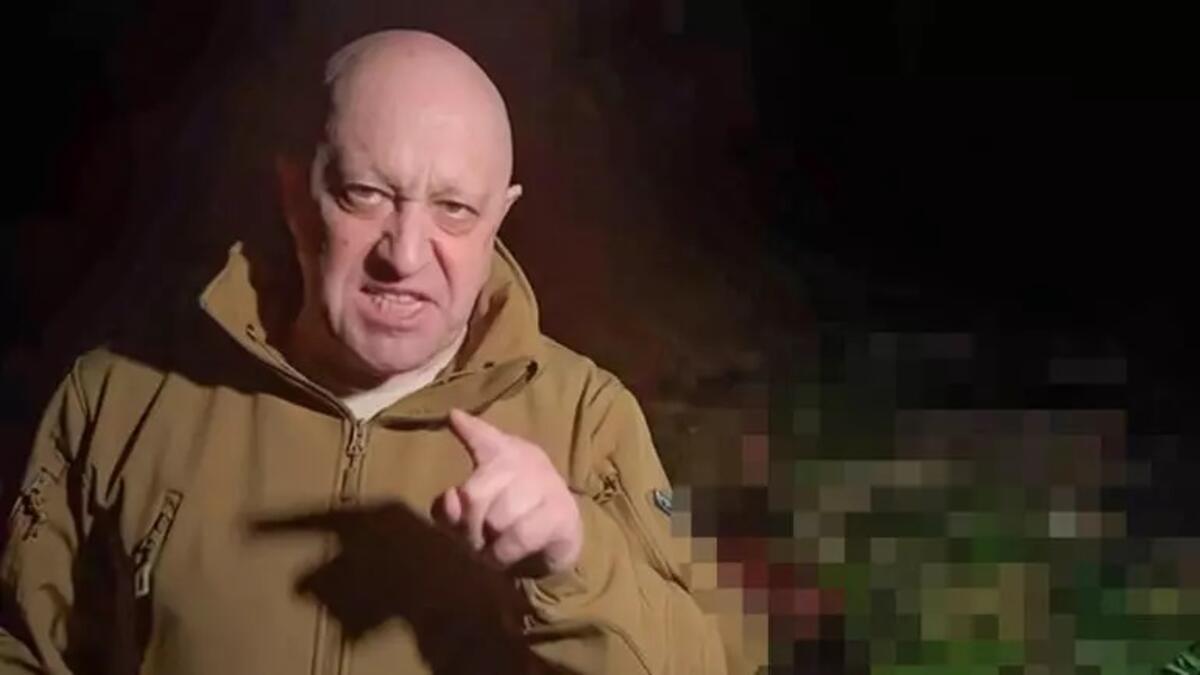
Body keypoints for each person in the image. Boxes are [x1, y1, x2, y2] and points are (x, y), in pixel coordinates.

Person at [0, 30, 738, 674]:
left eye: (454, 209)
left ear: (499, 217)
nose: (405, 254)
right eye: (364, 194)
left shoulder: (587, 419)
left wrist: (574, 559)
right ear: (296, 196)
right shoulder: (119, 397)